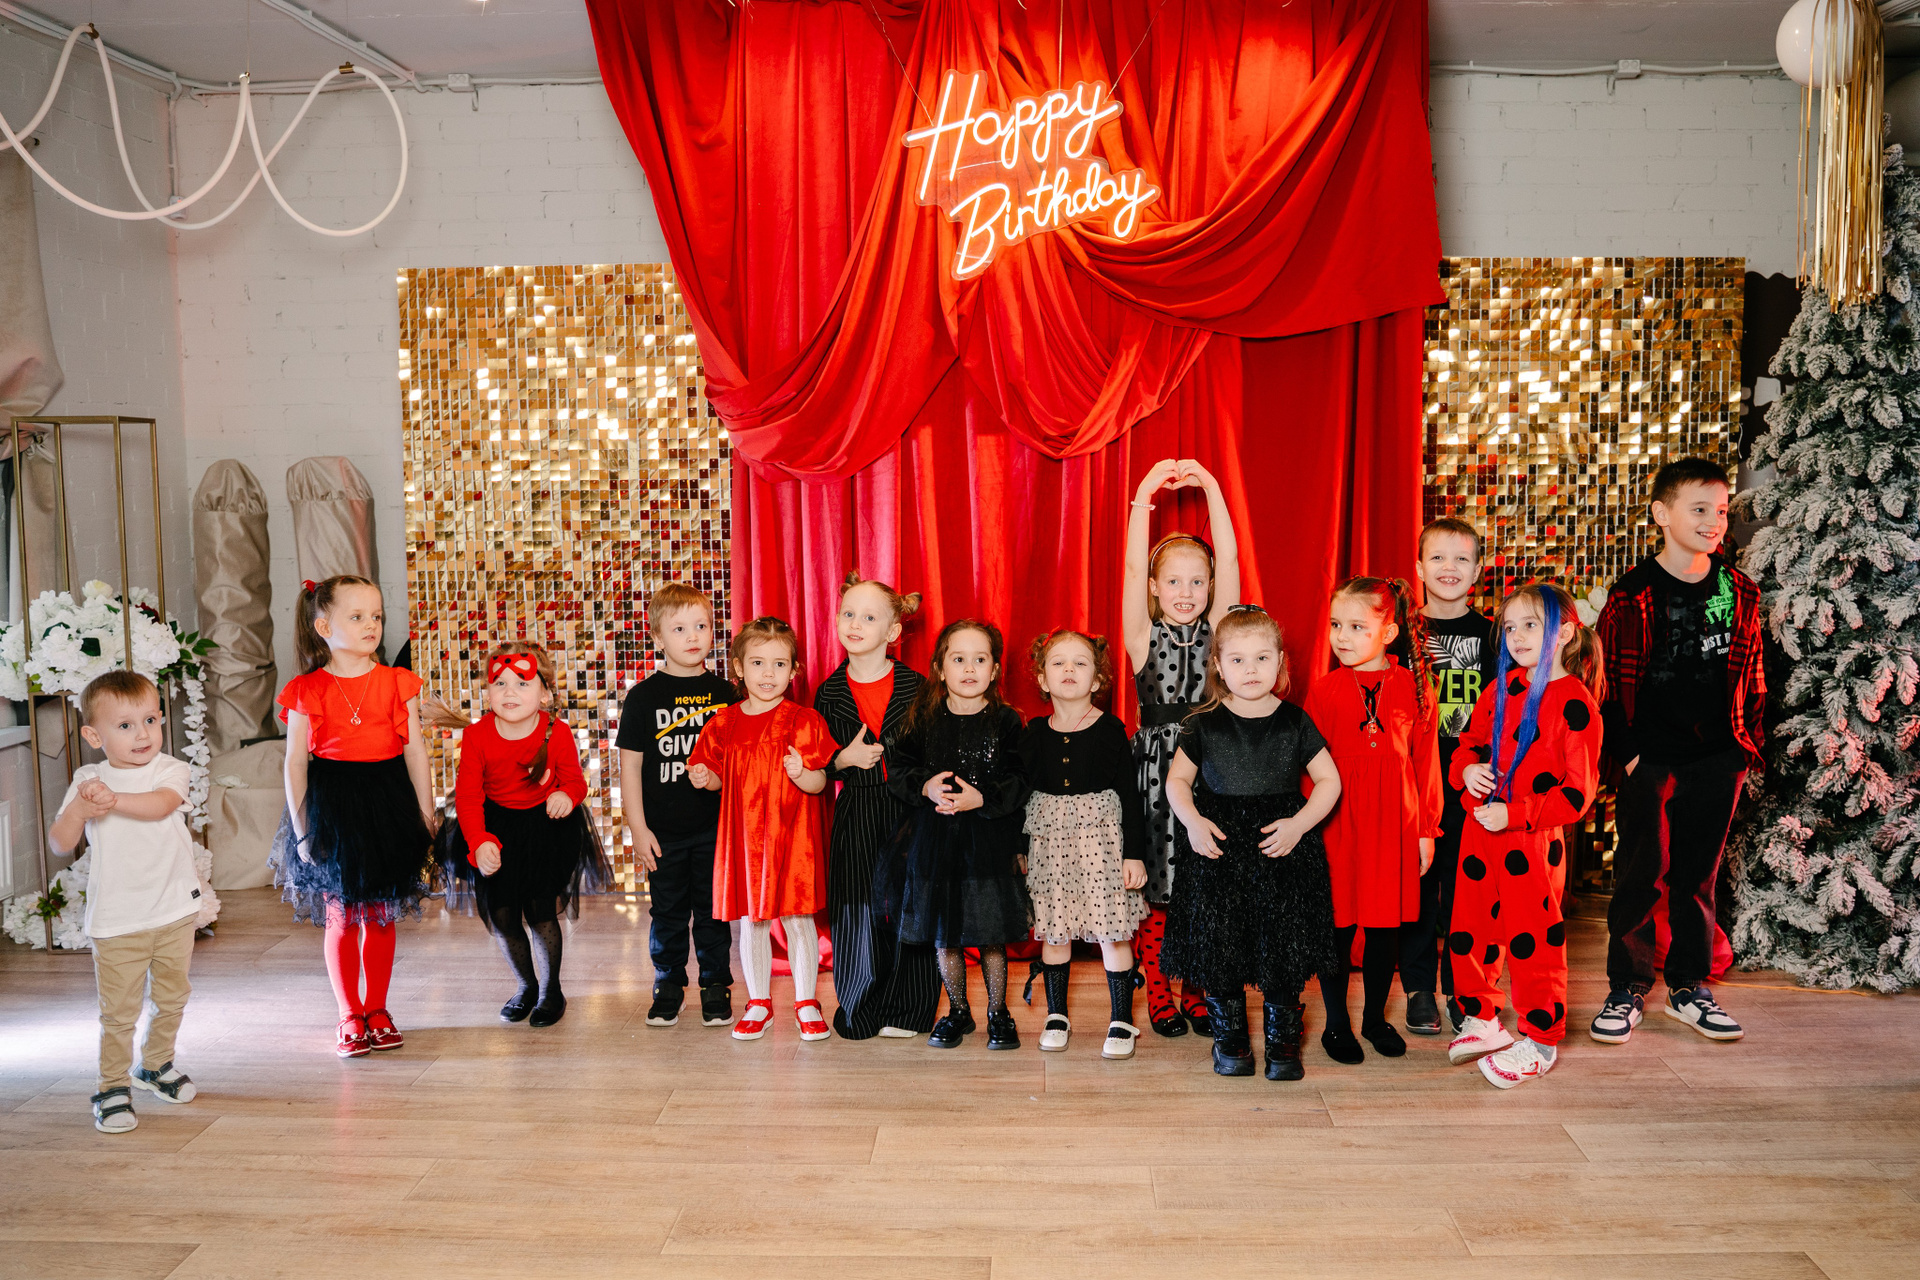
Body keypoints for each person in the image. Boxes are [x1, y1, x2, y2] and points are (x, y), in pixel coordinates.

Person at [1592, 458, 1764, 1045]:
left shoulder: (1740, 590)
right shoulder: (1631, 594)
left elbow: (1753, 677)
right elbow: (1606, 684)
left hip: (1717, 758)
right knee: (1641, 873)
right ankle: (1627, 987)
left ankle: (1689, 987)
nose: (1714, 521)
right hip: (1651, 760)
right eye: (1700, 509)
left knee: (1698, 878)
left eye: (1721, 510)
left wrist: (1742, 750)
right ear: (1662, 515)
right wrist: (1630, 755)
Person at [1162, 606, 1342, 1080]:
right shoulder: (1203, 723)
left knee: (1282, 944)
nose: (1251, 669)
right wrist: (1193, 822)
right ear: (1218, 666)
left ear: (1280, 661)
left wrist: (1299, 824)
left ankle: (1283, 1044)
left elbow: (1329, 782)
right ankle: (1231, 1041)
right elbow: (1177, 782)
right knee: (1221, 944)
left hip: (1279, 844)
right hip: (1218, 846)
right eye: (1237, 660)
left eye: (1262, 658)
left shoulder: (1295, 721)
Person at [1446, 584, 1605, 1087]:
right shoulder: (1499, 688)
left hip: (1531, 844)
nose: (1516, 636)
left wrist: (1515, 814)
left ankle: (1540, 1041)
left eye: (1531, 625)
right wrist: (1466, 772)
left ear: (1566, 633)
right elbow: (1468, 745)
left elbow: (1577, 795)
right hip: (1479, 834)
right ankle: (1483, 1018)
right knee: (1471, 929)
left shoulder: (1576, 703)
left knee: (1533, 941)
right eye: (1510, 627)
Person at [271, 576, 435, 1060]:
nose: (371, 625)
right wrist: (303, 828)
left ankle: (377, 1009)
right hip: (334, 806)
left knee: (381, 914)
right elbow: (295, 763)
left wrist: (426, 811)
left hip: (388, 801)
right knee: (341, 915)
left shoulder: (397, 682)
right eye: (357, 616)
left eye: (377, 616)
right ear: (324, 627)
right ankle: (349, 1013)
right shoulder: (306, 690)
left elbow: (416, 752)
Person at [52, 672, 203, 1133]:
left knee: (172, 997)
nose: (143, 734)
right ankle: (112, 1086)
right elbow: (60, 842)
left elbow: (159, 805)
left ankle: (155, 1065)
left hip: (174, 910)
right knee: (118, 1013)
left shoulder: (171, 769)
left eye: (151, 720)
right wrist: (79, 809)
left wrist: (112, 800)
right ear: (94, 736)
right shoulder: (88, 780)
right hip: (117, 921)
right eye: (125, 725)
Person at [1122, 457, 1242, 1038]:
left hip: (1211, 765)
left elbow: (1232, 561)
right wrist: (1144, 494)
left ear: (1211, 587)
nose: (1186, 592)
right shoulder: (1142, 637)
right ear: (1153, 588)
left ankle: (1195, 990)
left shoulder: (1221, 632)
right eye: (1173, 581)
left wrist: (1212, 488)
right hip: (1155, 772)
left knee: (1204, 885)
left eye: (1198, 581)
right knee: (1159, 888)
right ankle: (1158, 993)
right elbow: (1131, 566)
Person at [876, 620, 1033, 1051]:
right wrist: (925, 786)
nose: (969, 668)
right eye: (958, 659)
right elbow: (899, 769)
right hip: (935, 840)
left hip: (988, 839)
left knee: (990, 930)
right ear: (940, 669)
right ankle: (958, 1010)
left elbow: (1020, 778)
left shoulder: (1006, 721)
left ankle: (998, 1012)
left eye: (979, 660)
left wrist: (982, 798)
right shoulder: (923, 717)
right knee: (945, 931)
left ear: (994, 670)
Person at [1304, 578, 1440, 1066]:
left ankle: (1375, 1018)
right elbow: (1307, 766)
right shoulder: (1323, 690)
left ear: (1388, 633)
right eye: (1336, 624)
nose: (1342, 636)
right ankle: (1337, 1022)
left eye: (1357, 627)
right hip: (1338, 823)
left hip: (1393, 825)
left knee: (1384, 928)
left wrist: (1426, 830)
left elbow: (1426, 764)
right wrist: (1309, 827)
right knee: (1338, 927)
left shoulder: (1415, 687)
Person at [440, 642, 610, 1028]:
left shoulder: (556, 732)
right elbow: (468, 797)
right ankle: (526, 985)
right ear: (487, 691)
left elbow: (575, 782)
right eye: (499, 683)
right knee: (501, 915)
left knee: (540, 911)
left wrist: (567, 795)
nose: (509, 691)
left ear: (544, 693)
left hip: (545, 830)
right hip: (495, 829)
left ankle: (551, 990)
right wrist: (479, 840)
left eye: (522, 683)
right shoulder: (478, 736)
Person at [686, 617, 838, 1042]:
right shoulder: (723, 724)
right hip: (746, 841)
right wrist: (705, 778)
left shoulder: (804, 721)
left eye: (779, 664)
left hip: (793, 840)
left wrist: (801, 772)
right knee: (752, 922)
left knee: (798, 919)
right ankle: (758, 1002)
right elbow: (717, 778)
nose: (768, 674)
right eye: (757, 663)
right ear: (738, 668)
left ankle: (806, 1001)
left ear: (794, 671)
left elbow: (820, 783)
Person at [813, 573, 935, 1040]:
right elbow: (819, 762)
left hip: (910, 813)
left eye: (868, 617)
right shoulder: (828, 692)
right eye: (848, 614)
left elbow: (931, 755)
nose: (855, 624)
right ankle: (859, 1007)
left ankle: (908, 1009)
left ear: (893, 631)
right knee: (855, 909)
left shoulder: (919, 687)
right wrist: (843, 760)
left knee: (908, 905)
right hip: (856, 811)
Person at [1018, 629, 1150, 1059]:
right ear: (1043, 678)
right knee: (1054, 931)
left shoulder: (1110, 729)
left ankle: (1121, 1019)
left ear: (1097, 679)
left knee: (1112, 933)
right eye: (1058, 663)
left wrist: (1134, 855)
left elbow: (1130, 796)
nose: (1069, 670)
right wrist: (1019, 849)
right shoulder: (1033, 733)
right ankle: (1057, 1016)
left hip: (1102, 845)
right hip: (1050, 846)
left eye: (1080, 663)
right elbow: (1023, 795)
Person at [616, 583, 738, 1030]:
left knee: (712, 912)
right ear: (658, 638)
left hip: (714, 829)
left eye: (701, 626)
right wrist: (638, 828)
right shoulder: (643, 697)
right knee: (667, 912)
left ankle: (715, 983)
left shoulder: (727, 694)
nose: (693, 636)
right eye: (680, 628)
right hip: (663, 832)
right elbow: (630, 768)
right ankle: (668, 982)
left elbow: (737, 764)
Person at [1395, 517, 1498, 1035]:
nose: (1449, 568)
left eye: (1461, 559)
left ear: (1477, 570)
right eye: (1437, 557)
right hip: (1414, 784)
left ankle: (1463, 987)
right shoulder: (1399, 635)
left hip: (1472, 786)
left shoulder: (1494, 635)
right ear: (1418, 568)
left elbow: (1507, 707)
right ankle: (1418, 989)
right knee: (1417, 888)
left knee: (1465, 891)